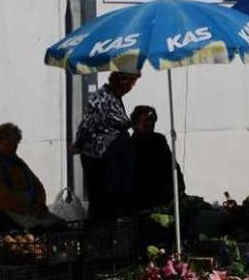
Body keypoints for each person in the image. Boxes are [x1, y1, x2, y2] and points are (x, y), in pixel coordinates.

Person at [73, 71, 140, 219]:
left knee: (113, 199)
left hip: (114, 157)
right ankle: (98, 235)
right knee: (101, 200)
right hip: (100, 156)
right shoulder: (101, 97)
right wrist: (78, 144)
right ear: (122, 82)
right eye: (131, 83)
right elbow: (88, 124)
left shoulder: (115, 98)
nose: (131, 87)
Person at [0, 124, 54, 232]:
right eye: (8, 144)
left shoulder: (17, 162)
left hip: (22, 211)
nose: (13, 148)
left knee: (57, 226)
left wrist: (39, 205)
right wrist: (28, 209)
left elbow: (37, 185)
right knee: (38, 230)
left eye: (15, 144)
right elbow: (1, 198)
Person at [130, 105, 185, 212]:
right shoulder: (132, 144)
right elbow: (138, 176)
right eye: (146, 120)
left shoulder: (159, 140)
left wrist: (179, 184)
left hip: (165, 198)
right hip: (143, 201)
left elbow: (172, 164)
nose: (150, 123)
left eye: (152, 120)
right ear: (136, 124)